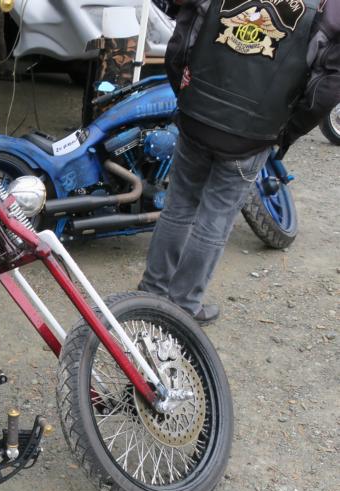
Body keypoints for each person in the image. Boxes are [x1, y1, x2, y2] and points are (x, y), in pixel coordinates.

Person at [139, 0, 340, 325]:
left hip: (199, 116)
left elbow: (180, 43)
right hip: (253, 134)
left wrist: (187, 97)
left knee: (179, 207)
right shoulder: (328, 9)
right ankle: (183, 307)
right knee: (215, 219)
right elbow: (327, 89)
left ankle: (150, 294)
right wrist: (286, 131)